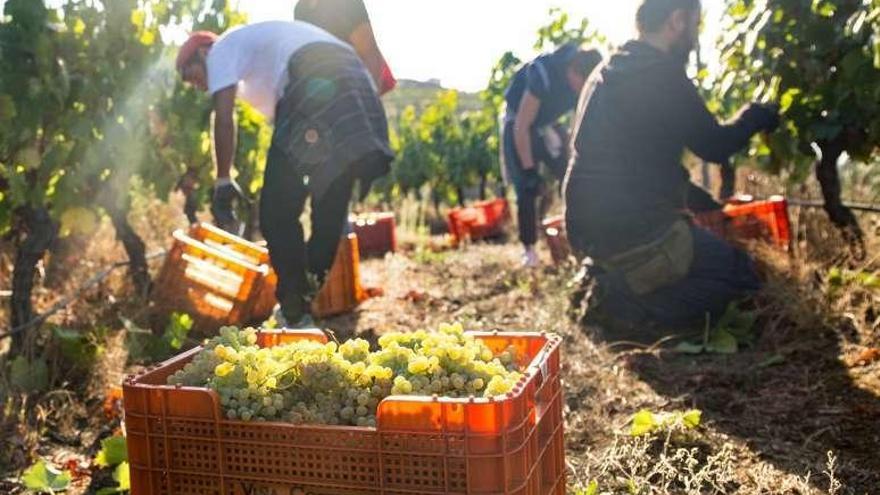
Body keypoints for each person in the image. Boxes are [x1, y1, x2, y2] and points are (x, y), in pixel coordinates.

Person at [563, 0, 780, 338]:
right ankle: (621, 304)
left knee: (703, 262)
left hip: (586, 226)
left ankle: (604, 280)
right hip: (632, 228)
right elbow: (714, 145)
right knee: (741, 278)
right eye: (695, 26)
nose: (695, 38)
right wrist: (758, 115)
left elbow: (634, 162)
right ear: (677, 21)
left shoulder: (607, 70)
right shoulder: (659, 73)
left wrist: (698, 198)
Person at [176, 21, 393, 326]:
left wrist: (223, 180)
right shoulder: (257, 76)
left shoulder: (220, 49)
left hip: (314, 73)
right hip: (355, 84)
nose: (196, 85)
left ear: (202, 51)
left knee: (277, 211)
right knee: (329, 202)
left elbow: (223, 118)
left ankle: (294, 307)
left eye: (190, 75)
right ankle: (300, 303)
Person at [502, 44, 603, 267]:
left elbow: (580, 126)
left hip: (547, 125)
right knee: (526, 187)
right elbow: (522, 126)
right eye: (581, 84)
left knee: (572, 175)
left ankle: (580, 235)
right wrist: (529, 170)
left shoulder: (589, 79)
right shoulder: (543, 75)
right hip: (519, 124)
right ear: (572, 72)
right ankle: (529, 250)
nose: (581, 91)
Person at [294, 0, 396, 95]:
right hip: (323, 91)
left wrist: (371, 97)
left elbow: (369, 52)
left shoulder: (346, 3)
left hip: (354, 87)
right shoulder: (301, 8)